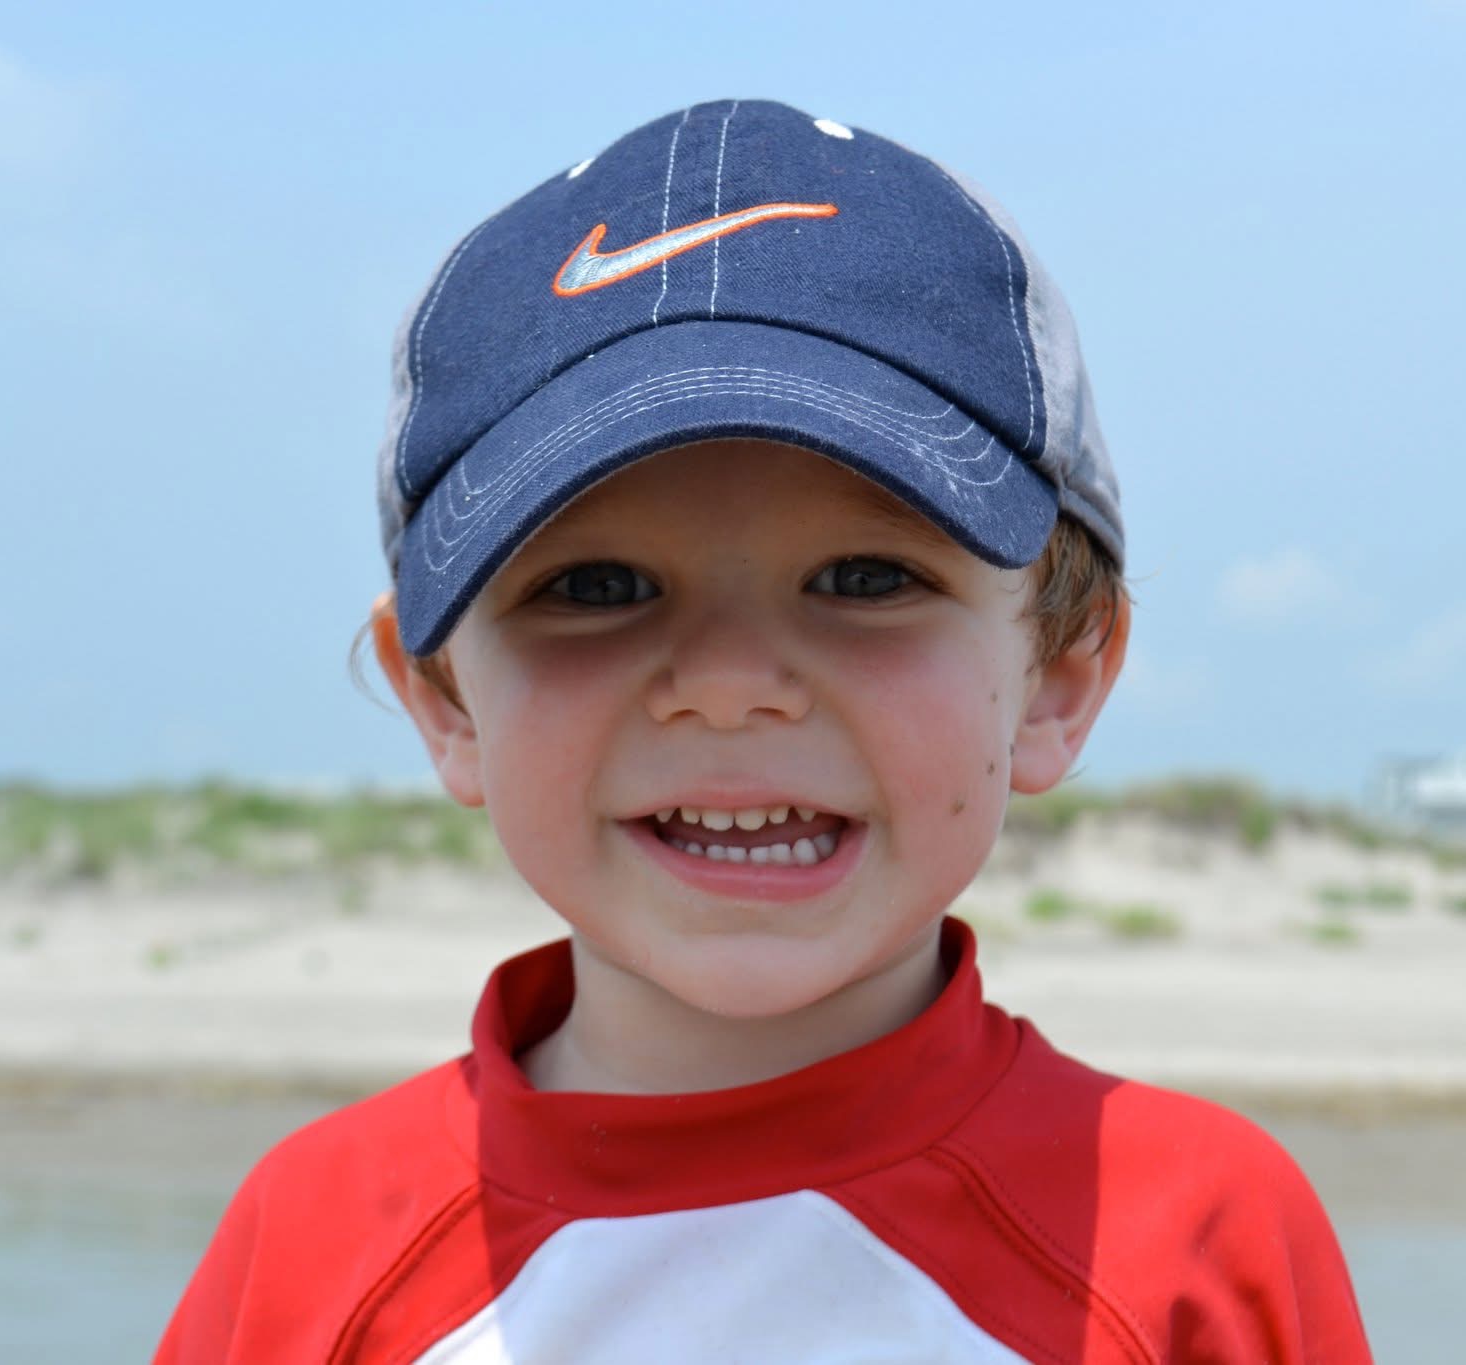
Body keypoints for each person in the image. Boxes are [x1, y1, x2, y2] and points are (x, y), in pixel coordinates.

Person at [156, 98, 1371, 1363]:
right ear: (446, 700)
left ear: (1058, 675)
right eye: (594, 588)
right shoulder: (314, 1244)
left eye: (863, 579)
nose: (730, 686)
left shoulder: (1191, 1239)